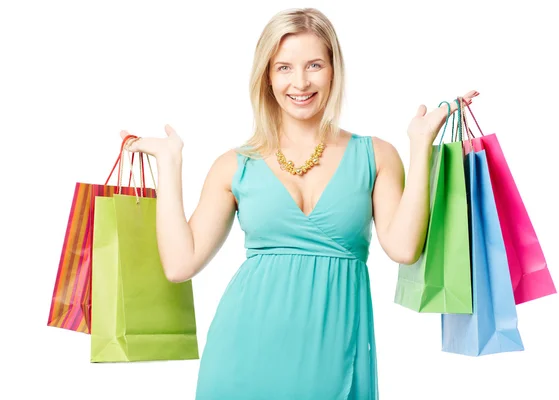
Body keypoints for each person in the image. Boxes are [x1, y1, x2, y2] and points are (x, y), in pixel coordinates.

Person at [121, 7, 478, 399]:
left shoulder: (376, 155)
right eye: (284, 68)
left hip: (334, 360)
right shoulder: (234, 165)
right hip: (241, 357)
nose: (301, 82)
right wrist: (171, 164)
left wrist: (419, 145)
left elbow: (404, 247)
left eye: (314, 65)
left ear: (333, 71)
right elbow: (179, 263)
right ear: (267, 77)